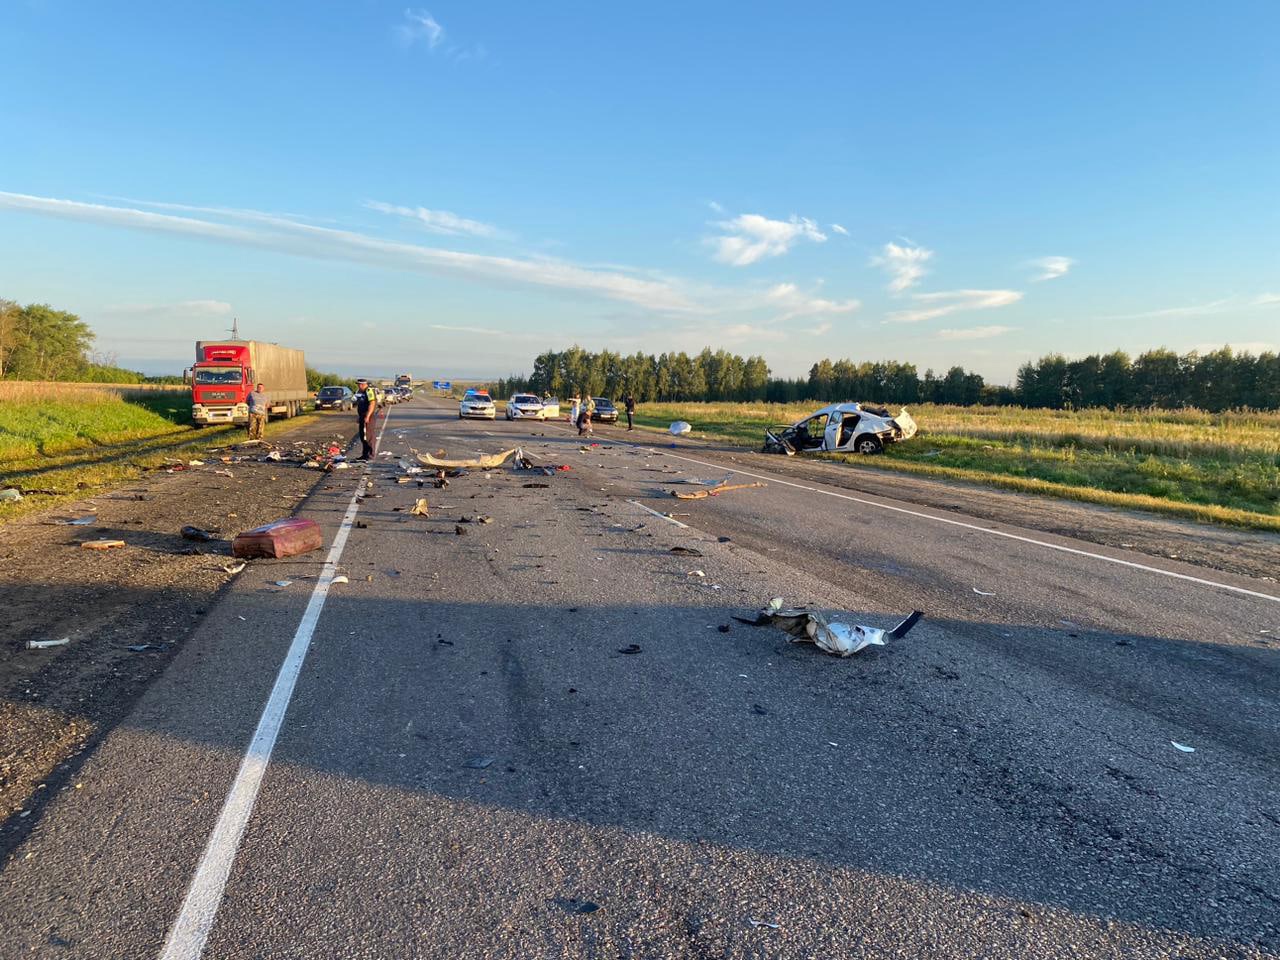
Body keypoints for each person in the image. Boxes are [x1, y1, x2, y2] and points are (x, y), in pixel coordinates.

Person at [354, 377, 378, 460]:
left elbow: (372, 403)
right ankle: (364, 454)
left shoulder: (369, 391)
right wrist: (359, 416)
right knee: (362, 436)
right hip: (362, 416)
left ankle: (371, 454)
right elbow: (360, 404)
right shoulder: (361, 392)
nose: (358, 386)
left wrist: (367, 416)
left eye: (359, 385)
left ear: (362, 384)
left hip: (369, 416)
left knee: (369, 436)